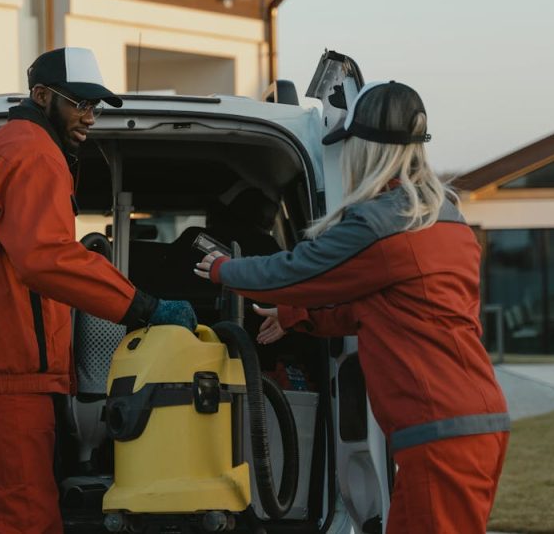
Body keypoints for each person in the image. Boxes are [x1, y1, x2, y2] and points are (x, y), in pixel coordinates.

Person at [195, 81, 509, 534]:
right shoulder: (446, 219)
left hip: (438, 430)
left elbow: (297, 270)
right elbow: (381, 310)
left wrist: (225, 270)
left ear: (367, 148)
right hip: (476, 420)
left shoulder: (382, 224)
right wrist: (295, 316)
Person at [0, 47, 194, 534]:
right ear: (41, 95)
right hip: (6, 371)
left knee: (2, 514)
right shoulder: (34, 155)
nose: (90, 117)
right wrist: (143, 307)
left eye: (95, 106)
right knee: (25, 520)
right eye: (79, 103)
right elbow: (46, 257)